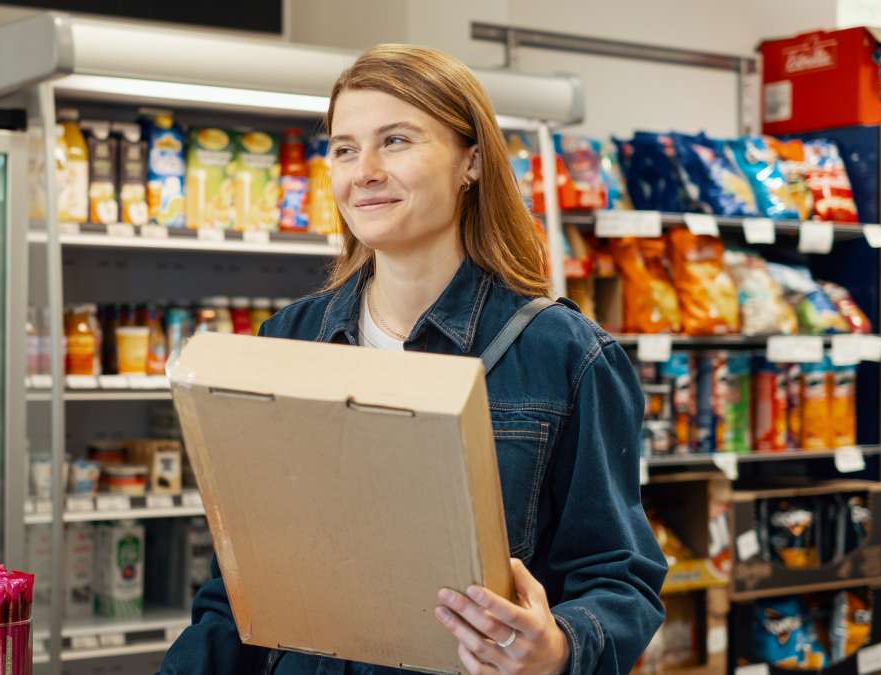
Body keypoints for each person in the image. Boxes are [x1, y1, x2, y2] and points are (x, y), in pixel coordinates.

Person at [159, 43, 666, 675]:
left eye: (395, 141)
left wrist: (556, 647)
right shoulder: (285, 342)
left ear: (471, 162)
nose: (362, 171)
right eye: (344, 148)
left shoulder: (567, 355)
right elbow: (237, 593)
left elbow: (622, 581)